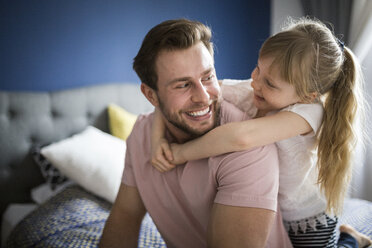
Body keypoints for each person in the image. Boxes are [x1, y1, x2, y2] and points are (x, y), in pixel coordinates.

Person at [150, 18, 372, 248]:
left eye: (270, 83)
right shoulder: (252, 89)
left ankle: (351, 239)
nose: (255, 83)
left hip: (306, 219)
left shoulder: (310, 113)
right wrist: (157, 139)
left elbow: (241, 137)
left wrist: (181, 153)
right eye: (258, 69)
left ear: (308, 95)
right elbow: (180, 100)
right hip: (271, 211)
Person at [99, 18, 293, 248]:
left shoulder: (250, 148)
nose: (203, 97)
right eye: (183, 85)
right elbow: (125, 218)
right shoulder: (141, 135)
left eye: (208, 77)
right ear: (151, 96)